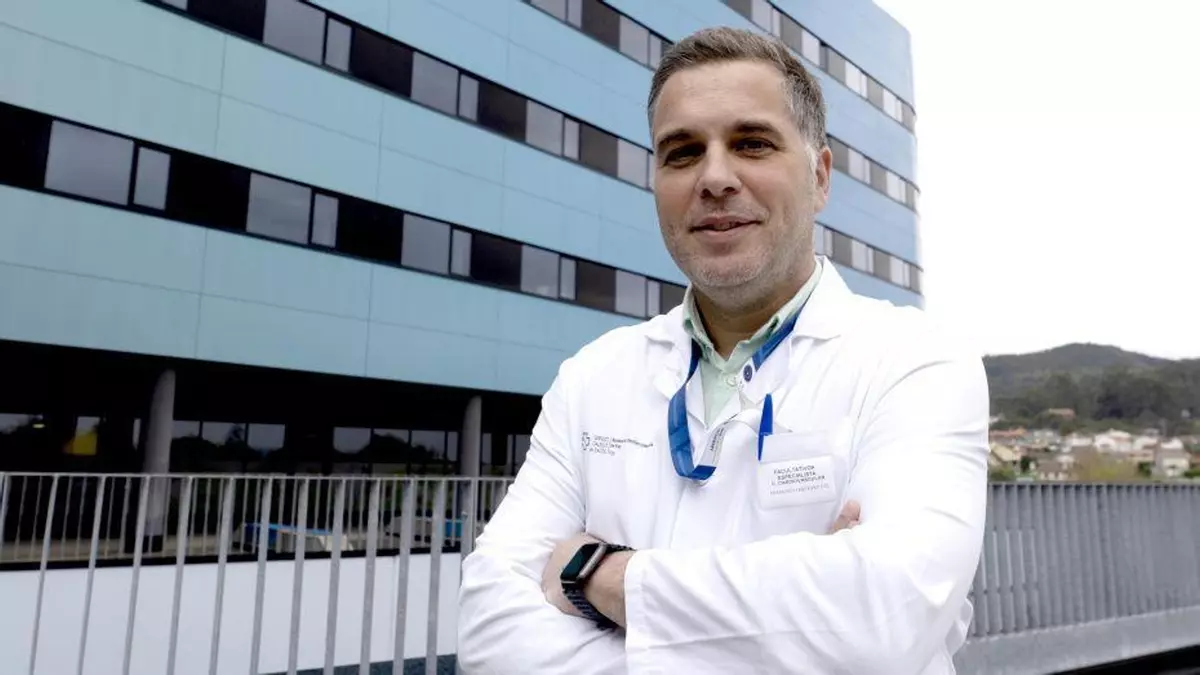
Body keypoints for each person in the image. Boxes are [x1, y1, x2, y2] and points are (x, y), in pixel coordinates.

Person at [457, 26, 988, 675]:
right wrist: (799, 624)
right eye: (682, 153)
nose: (714, 178)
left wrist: (595, 574)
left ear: (820, 177)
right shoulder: (592, 376)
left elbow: (885, 614)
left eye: (751, 143)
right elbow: (488, 634)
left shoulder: (916, 362)